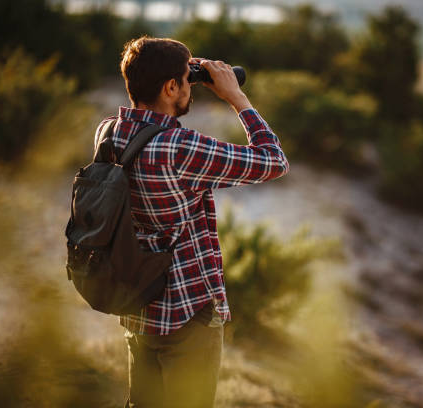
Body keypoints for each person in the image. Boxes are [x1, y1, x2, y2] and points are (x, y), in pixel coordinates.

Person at [97, 36, 289, 408]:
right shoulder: (180, 148)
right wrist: (237, 98)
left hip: (136, 304)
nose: (191, 87)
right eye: (187, 80)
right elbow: (273, 160)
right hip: (188, 314)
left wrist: (182, 70)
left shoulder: (108, 132)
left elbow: (152, 111)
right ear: (170, 87)